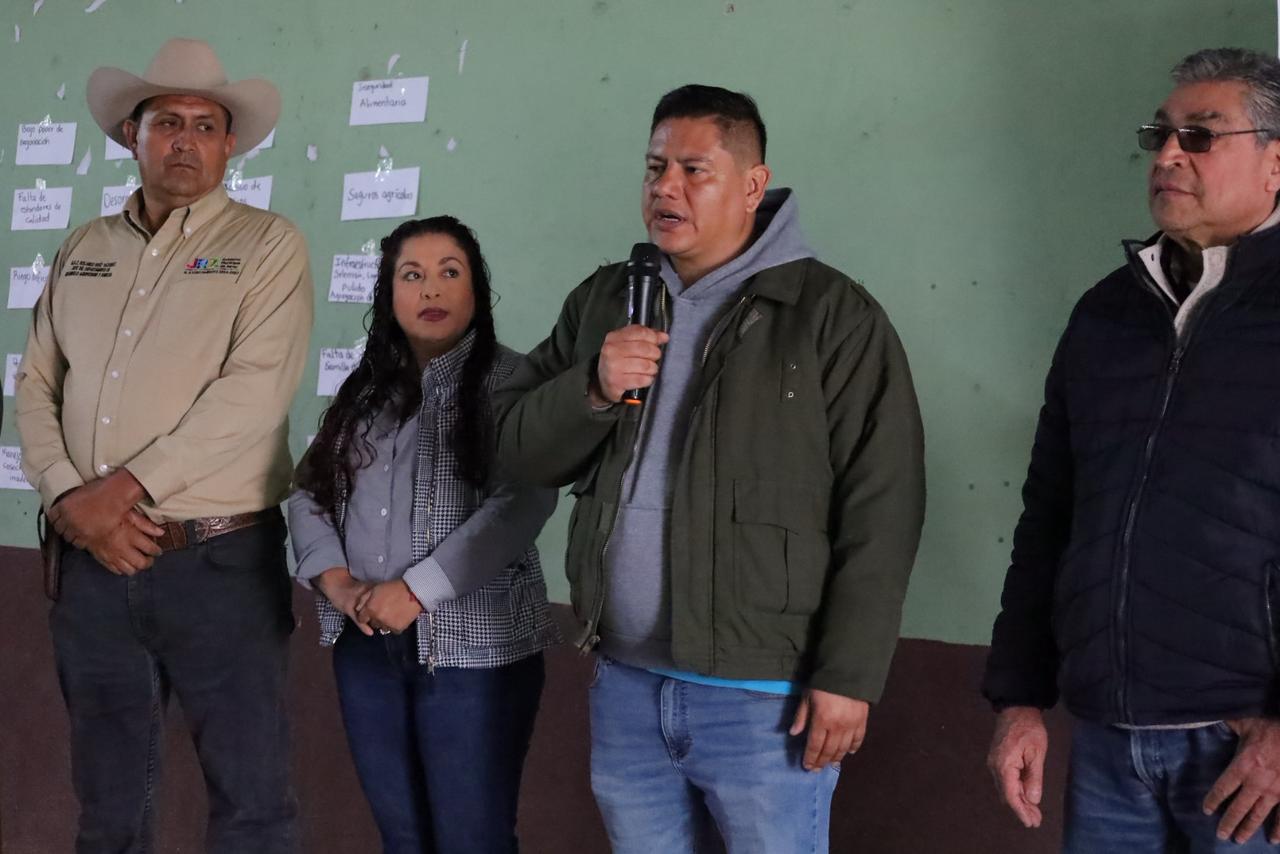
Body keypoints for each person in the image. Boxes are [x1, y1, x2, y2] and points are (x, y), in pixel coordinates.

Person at [494, 84, 925, 853]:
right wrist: (592, 388)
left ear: (753, 186)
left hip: (766, 696)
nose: (666, 188)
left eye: (694, 170)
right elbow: (516, 450)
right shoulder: (607, 300)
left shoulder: (830, 315)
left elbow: (883, 506)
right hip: (625, 684)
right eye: (655, 168)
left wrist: (850, 676)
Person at [15, 38, 311, 853]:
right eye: (167, 122)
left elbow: (252, 395)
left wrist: (119, 493)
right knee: (108, 806)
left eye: (205, 125)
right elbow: (36, 385)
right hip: (91, 565)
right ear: (131, 136)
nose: (186, 140)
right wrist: (68, 499)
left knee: (251, 801)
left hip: (218, 564)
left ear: (229, 144)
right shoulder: (83, 248)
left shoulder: (268, 246)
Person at [984, 47, 1280, 852]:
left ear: (1275, 163)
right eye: (1160, 134)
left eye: (1201, 135)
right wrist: (1019, 699)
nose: (1168, 155)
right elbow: (1050, 515)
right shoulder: (1107, 315)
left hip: (1248, 754)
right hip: (1109, 741)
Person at [289, 216, 560, 854]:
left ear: (476, 291)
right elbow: (308, 491)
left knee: (472, 839)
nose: (430, 290)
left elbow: (523, 501)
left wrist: (416, 591)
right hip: (366, 649)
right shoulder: (366, 391)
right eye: (412, 276)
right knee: (403, 838)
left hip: (475, 655)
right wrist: (338, 583)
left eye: (449, 273)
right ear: (389, 296)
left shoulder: (513, 382)